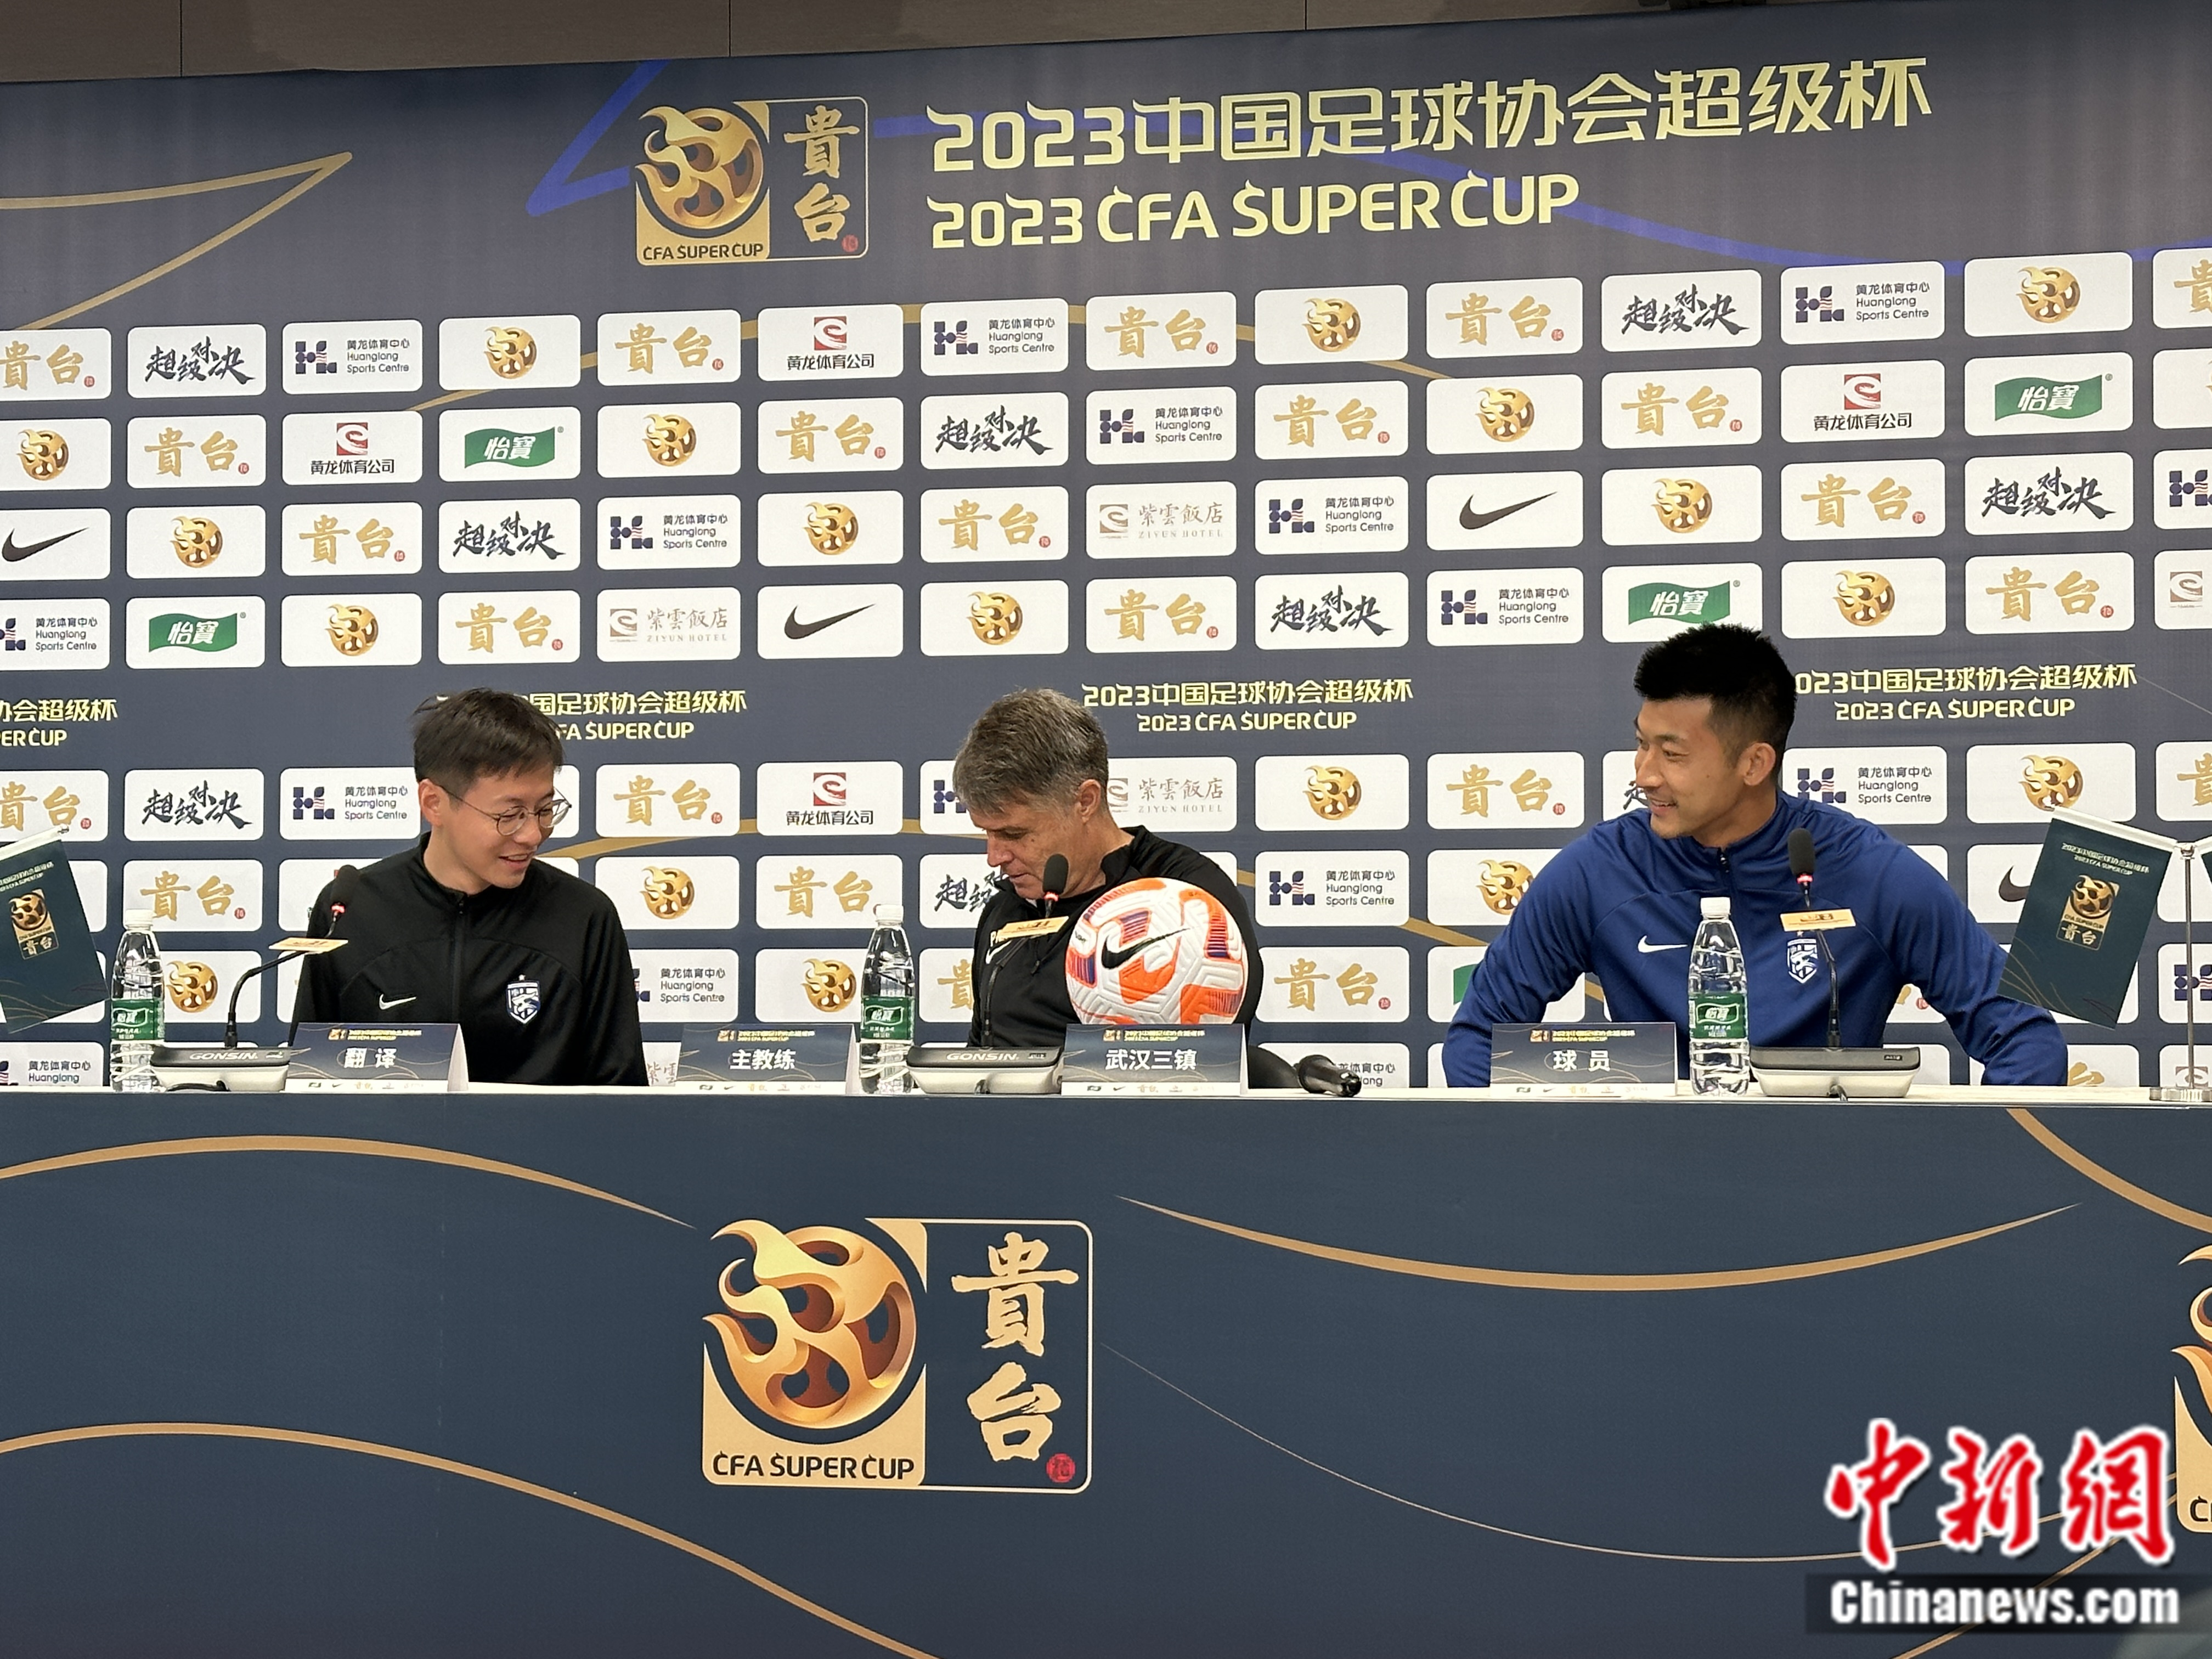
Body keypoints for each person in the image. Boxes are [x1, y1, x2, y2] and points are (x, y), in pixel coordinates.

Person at [1442, 624, 2064, 1087]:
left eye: (1672, 754)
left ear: (1754, 762)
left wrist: (1980, 1175)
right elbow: (1479, 1039)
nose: (1645, 775)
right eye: (1641, 745)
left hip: (1831, 1186)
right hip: (1641, 1183)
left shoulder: (1874, 874)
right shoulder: (1597, 872)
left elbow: (2024, 1039)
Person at [292, 689, 647, 1086]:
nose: (533, 834)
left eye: (545, 810)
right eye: (509, 815)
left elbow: (620, 1096)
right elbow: (309, 1082)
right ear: (434, 803)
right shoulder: (350, 911)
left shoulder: (584, 918)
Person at [956, 687, 1261, 1048]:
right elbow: (979, 1051)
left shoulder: (1189, 897)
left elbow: (1212, 1055)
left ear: (1085, 801)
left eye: (1014, 834)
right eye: (987, 833)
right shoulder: (1005, 907)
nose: (994, 857)